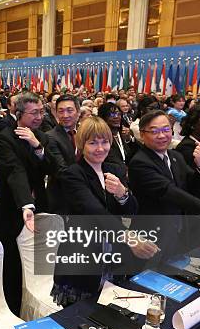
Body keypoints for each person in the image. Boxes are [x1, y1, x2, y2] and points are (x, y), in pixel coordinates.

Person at [52, 117, 158, 306]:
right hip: (84, 254)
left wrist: (122, 193)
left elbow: (132, 209)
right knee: (82, 315)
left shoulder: (114, 169)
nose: (100, 148)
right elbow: (94, 211)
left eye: (105, 142)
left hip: (114, 253)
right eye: (93, 143)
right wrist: (130, 239)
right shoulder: (73, 173)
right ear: (81, 144)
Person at [128, 110, 200, 260]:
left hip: (180, 232)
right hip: (152, 236)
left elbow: (194, 188)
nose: (162, 135)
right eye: (155, 131)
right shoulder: (140, 162)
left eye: (166, 129)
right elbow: (169, 191)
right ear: (142, 135)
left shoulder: (175, 156)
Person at [0, 92, 50, 315]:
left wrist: (37, 147)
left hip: (40, 207)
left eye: (42, 112)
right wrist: (26, 204)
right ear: (19, 114)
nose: (39, 117)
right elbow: (15, 172)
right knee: (12, 269)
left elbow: (49, 168)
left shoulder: (41, 136)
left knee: (37, 264)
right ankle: (14, 311)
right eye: (34, 113)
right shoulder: (5, 137)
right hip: (10, 211)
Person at [45, 94, 81, 214]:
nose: (65, 115)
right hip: (62, 199)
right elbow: (61, 170)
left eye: (69, 110)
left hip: (85, 196)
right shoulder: (50, 137)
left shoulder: (85, 132)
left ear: (78, 111)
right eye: (61, 111)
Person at [97, 102, 136, 168]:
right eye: (112, 114)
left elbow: (137, 152)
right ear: (103, 117)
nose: (116, 117)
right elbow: (109, 160)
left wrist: (129, 139)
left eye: (119, 114)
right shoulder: (100, 137)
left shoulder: (124, 133)